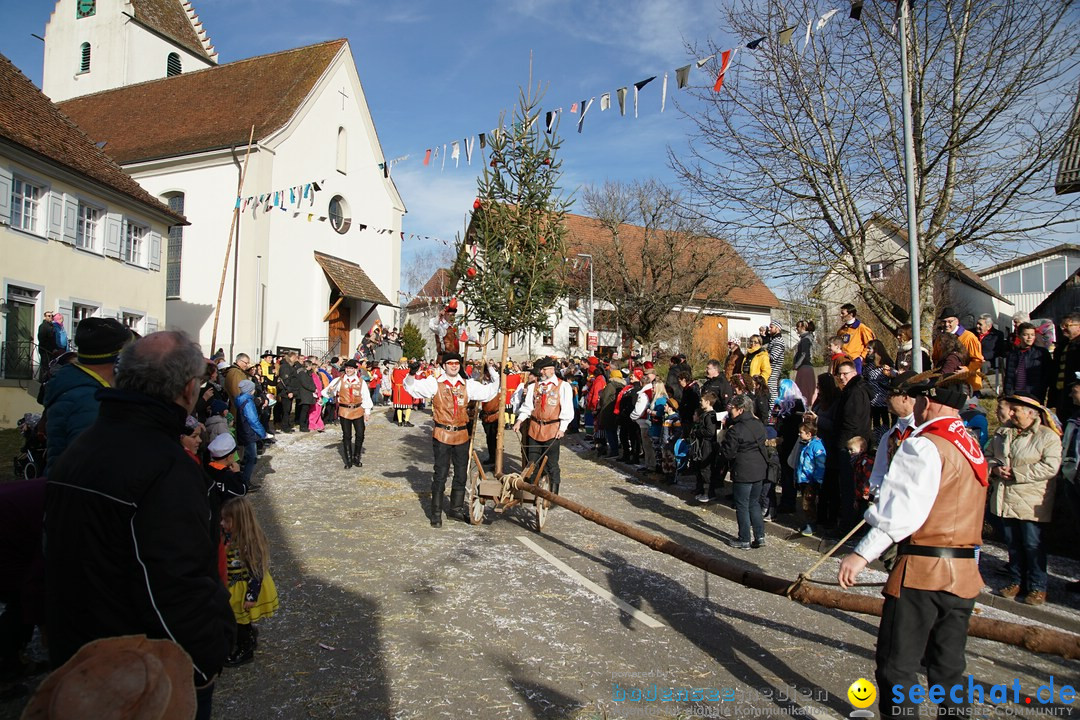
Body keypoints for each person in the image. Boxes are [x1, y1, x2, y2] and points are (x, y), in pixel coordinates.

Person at [44, 331, 235, 719]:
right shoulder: (165, 468)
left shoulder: (82, 447)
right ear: (187, 390)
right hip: (148, 672)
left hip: (83, 657)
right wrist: (204, 660)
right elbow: (175, 583)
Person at [838, 373, 989, 719]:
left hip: (923, 573)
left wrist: (861, 554)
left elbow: (902, 512)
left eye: (917, 400)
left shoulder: (923, 444)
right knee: (948, 671)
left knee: (897, 668)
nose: (914, 407)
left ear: (928, 401)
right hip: (964, 573)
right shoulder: (970, 444)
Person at [405, 353, 499, 527]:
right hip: (442, 434)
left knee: (461, 474)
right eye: (450, 363)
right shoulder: (435, 383)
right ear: (444, 366)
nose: (454, 366)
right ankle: (435, 513)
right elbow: (411, 388)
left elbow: (490, 392)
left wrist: (492, 371)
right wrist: (411, 374)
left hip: (462, 434)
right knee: (440, 475)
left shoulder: (468, 385)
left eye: (456, 363)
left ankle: (455, 510)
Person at [986, 392, 1061, 606]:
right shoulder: (1003, 432)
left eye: (1015, 410)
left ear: (1030, 412)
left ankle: (1037, 586)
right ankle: (1016, 581)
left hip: (1030, 500)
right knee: (1013, 543)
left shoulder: (1047, 436)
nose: (1010, 413)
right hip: (1005, 498)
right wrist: (995, 469)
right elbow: (988, 455)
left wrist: (1018, 472)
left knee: (1031, 543)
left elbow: (1050, 466)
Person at [43, 317, 134, 474]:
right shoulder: (90, 400)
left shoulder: (80, 385)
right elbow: (90, 467)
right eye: (131, 352)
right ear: (119, 357)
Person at [220, 496, 279, 667]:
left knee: (240, 621)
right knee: (238, 619)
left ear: (239, 521)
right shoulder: (230, 535)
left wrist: (251, 596)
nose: (222, 524)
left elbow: (256, 571)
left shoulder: (248, 542)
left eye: (226, 520)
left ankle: (245, 649)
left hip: (244, 587)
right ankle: (249, 637)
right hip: (233, 584)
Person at [515, 357, 575, 494]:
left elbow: (567, 409)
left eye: (548, 369)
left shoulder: (563, 386)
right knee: (532, 461)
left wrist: (562, 428)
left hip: (552, 429)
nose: (544, 372)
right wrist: (519, 421)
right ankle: (533, 490)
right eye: (544, 369)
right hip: (535, 428)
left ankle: (553, 494)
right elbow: (527, 407)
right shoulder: (534, 387)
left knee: (551, 463)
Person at [720, 394, 769, 549]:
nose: (730, 412)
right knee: (754, 503)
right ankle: (760, 536)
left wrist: (721, 443)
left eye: (732, 409)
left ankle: (744, 539)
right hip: (759, 469)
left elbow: (728, 453)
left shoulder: (736, 430)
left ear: (740, 410)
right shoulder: (758, 424)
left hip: (743, 470)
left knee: (742, 504)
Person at [833, 360, 872, 531]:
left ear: (854, 373)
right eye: (839, 374)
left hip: (852, 445)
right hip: (853, 443)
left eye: (845, 373)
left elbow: (852, 421)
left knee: (851, 487)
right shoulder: (851, 390)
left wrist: (844, 442)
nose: (842, 377)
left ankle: (849, 526)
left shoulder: (855, 392)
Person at [322, 359, 373, 469]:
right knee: (347, 435)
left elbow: (366, 397)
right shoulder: (338, 380)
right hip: (344, 410)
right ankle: (348, 459)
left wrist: (367, 411)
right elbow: (326, 393)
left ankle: (356, 457)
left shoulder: (360, 382)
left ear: (355, 370)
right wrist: (331, 391)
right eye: (347, 368)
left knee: (360, 434)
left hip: (358, 410)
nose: (348, 370)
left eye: (351, 368)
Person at [938, 307, 985, 394]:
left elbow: (978, 360)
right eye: (944, 322)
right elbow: (936, 358)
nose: (946, 324)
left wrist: (967, 370)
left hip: (968, 385)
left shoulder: (969, 337)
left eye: (950, 321)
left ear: (957, 321)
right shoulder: (940, 338)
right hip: (947, 384)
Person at [1003, 322, 1052, 402]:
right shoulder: (1013, 354)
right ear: (1019, 336)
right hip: (1016, 394)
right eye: (1026, 335)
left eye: (1032, 335)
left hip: (1034, 395)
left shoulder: (1041, 353)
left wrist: (1041, 391)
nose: (1030, 337)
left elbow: (1047, 375)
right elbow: (1009, 375)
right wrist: (1008, 393)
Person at [793, 418, 826, 536]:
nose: (799, 434)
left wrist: (817, 479)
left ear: (809, 434)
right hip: (803, 478)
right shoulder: (804, 445)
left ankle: (811, 525)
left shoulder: (816, 446)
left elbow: (820, 464)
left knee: (808, 503)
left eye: (801, 432)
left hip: (811, 479)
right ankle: (808, 521)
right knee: (806, 502)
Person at [234, 379, 267, 488]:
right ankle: (245, 482)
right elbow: (253, 420)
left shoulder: (240, 399)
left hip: (243, 430)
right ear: (251, 390)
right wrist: (262, 433)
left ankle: (244, 480)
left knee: (248, 457)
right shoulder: (248, 402)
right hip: (248, 432)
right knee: (252, 458)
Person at [1050, 312, 1080, 420]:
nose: (1063, 329)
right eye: (1062, 326)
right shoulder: (1062, 346)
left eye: (1067, 326)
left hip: (1076, 394)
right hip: (1061, 394)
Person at [835, 303, 875, 372]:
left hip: (855, 361)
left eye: (843, 313)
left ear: (850, 314)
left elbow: (870, 344)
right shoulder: (841, 330)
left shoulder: (861, 328)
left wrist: (861, 357)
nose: (841, 315)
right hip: (843, 360)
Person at [977, 314, 1007, 394]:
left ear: (988, 326)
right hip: (974, 357)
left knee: (982, 366)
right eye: (977, 323)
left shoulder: (997, 335)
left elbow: (997, 351)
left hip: (989, 360)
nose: (977, 326)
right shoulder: (972, 333)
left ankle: (975, 388)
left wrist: (983, 357)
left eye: (980, 324)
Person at [429, 298, 461, 364]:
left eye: (454, 315)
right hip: (444, 359)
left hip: (455, 358)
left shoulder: (455, 326)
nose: (452, 317)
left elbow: (464, 334)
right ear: (445, 314)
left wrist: (475, 340)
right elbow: (433, 326)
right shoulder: (440, 326)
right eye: (451, 315)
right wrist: (438, 316)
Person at [792, 320, 817, 403]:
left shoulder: (806, 340)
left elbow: (804, 354)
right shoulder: (807, 338)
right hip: (805, 367)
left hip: (805, 367)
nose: (796, 329)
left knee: (803, 391)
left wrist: (796, 365)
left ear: (803, 327)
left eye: (798, 327)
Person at [764, 320, 786, 403]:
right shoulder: (773, 340)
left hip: (773, 372)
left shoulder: (778, 341)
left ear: (777, 328)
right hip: (769, 372)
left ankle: (772, 413)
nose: (769, 329)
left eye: (771, 327)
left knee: (771, 394)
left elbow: (772, 357)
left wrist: (762, 354)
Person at [391, 357, 416, 427]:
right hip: (405, 388)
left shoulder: (395, 370)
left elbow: (392, 380)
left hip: (397, 389)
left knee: (399, 406)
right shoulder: (407, 371)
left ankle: (399, 422)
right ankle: (406, 421)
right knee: (408, 406)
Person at [36, 310, 57, 381]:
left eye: (52, 316)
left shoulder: (51, 326)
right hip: (45, 349)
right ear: (45, 317)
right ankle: (43, 380)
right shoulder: (43, 326)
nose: (51, 317)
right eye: (49, 316)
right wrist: (50, 348)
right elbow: (41, 338)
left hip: (50, 350)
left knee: (49, 366)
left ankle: (47, 380)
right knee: (45, 366)